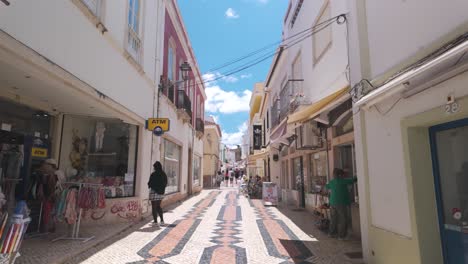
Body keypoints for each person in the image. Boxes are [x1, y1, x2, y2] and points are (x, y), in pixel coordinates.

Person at [326, 168, 357, 240]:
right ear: (340, 175)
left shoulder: (332, 182)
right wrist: (357, 174)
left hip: (333, 203)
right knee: (343, 219)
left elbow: (327, 186)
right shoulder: (343, 181)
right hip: (341, 203)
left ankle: (331, 233)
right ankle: (341, 236)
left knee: (334, 218)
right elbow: (354, 180)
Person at [148, 161, 168, 226]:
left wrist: (151, 185)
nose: (153, 168)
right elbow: (165, 183)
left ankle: (155, 222)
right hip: (161, 193)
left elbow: (150, 183)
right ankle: (162, 221)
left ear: (155, 167)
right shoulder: (163, 174)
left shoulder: (153, 174)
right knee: (158, 206)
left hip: (154, 192)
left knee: (154, 207)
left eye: (154, 167)